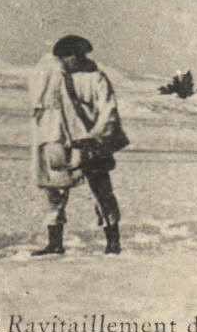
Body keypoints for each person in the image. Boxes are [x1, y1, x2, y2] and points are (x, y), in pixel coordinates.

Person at [29, 34, 127, 255]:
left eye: (70, 56)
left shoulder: (96, 78)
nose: (66, 60)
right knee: (54, 190)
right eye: (63, 57)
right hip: (58, 140)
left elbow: (108, 109)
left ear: (79, 55)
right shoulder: (52, 77)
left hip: (90, 143)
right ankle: (55, 242)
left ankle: (113, 241)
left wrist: (95, 136)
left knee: (101, 190)